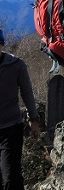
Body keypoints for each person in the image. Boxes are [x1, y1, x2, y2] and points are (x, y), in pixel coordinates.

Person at [0, 28, 40, 190]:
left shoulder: (16, 65)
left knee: (10, 176)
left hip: (11, 127)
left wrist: (34, 119)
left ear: (2, 44)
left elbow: (27, 93)